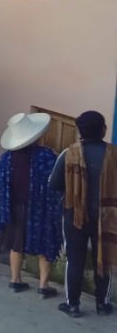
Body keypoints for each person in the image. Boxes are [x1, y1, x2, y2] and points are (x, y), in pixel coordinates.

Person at [49, 110, 117, 318]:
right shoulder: (114, 155)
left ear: (80, 130)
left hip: (74, 216)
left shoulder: (69, 154)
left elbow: (54, 184)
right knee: (104, 258)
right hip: (106, 217)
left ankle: (72, 305)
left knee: (75, 259)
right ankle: (102, 304)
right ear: (103, 130)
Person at [0, 113, 62, 297]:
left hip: (13, 209)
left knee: (16, 244)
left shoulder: (6, 159)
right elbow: (56, 184)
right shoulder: (46, 157)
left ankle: (15, 280)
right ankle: (44, 286)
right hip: (41, 210)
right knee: (45, 245)